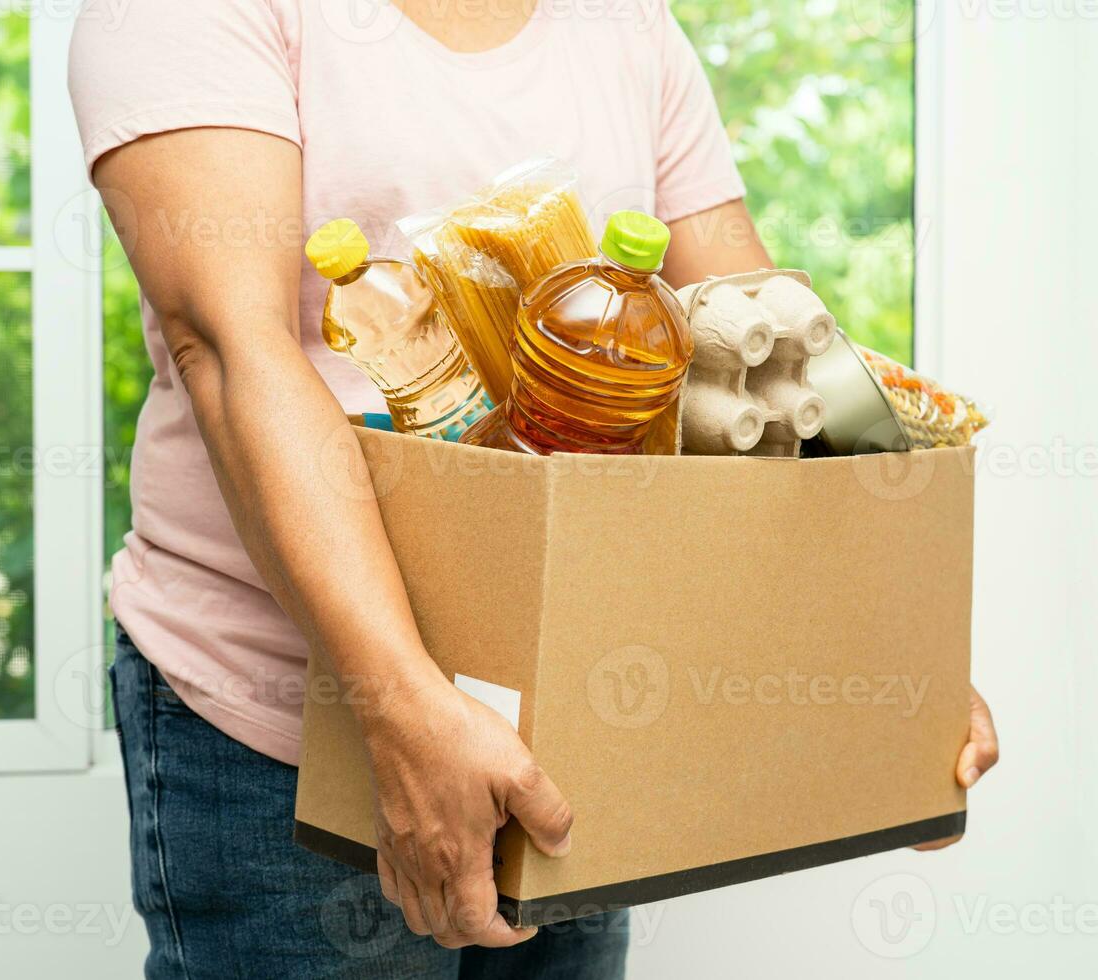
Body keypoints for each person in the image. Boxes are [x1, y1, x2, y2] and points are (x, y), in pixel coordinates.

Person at [67, 0, 999, 976]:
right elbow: (226, 345)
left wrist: (894, 639)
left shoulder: (625, 26)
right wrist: (400, 703)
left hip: (567, 703)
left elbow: (761, 339)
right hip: (286, 716)